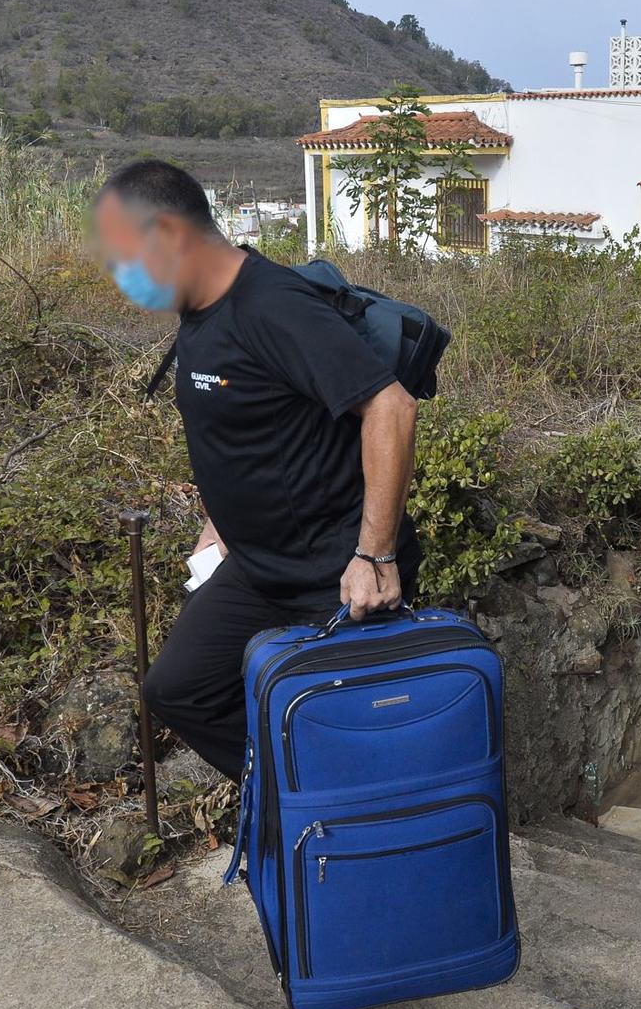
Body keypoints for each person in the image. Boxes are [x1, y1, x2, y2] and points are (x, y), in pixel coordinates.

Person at [92, 159, 420, 779]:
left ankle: (343, 817)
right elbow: (237, 426)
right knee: (178, 689)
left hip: (334, 571)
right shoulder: (197, 314)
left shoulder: (272, 305)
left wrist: (374, 554)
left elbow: (391, 406)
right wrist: (217, 523)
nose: (122, 278)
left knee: (343, 722)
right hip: (257, 567)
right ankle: (292, 797)